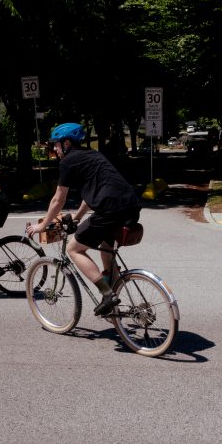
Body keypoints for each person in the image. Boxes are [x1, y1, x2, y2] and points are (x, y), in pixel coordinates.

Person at [26, 123, 142, 316]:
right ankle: (113, 296)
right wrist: (77, 218)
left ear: (67, 143)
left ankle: (107, 295)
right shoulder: (92, 155)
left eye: (56, 145)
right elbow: (91, 195)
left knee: (74, 249)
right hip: (130, 207)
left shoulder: (68, 161)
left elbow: (58, 199)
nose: (54, 149)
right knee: (107, 247)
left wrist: (43, 225)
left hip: (110, 210)